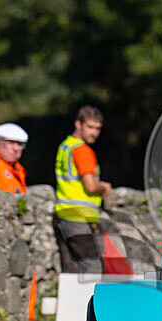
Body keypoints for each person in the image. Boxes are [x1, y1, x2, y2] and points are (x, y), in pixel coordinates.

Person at [53, 106, 112, 273]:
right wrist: (104, 188)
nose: (94, 132)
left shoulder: (66, 146)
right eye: (90, 127)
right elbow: (91, 185)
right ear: (78, 124)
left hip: (63, 215)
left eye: (98, 128)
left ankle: (70, 301)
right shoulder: (82, 151)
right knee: (92, 269)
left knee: (71, 272)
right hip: (79, 218)